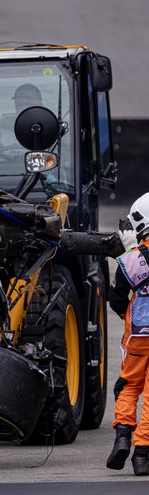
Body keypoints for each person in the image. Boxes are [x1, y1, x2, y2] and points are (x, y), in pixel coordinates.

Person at [106, 192, 149, 475]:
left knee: (129, 384)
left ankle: (122, 435)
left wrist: (129, 317)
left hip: (136, 335)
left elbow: (117, 299)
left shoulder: (131, 260)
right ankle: (142, 454)